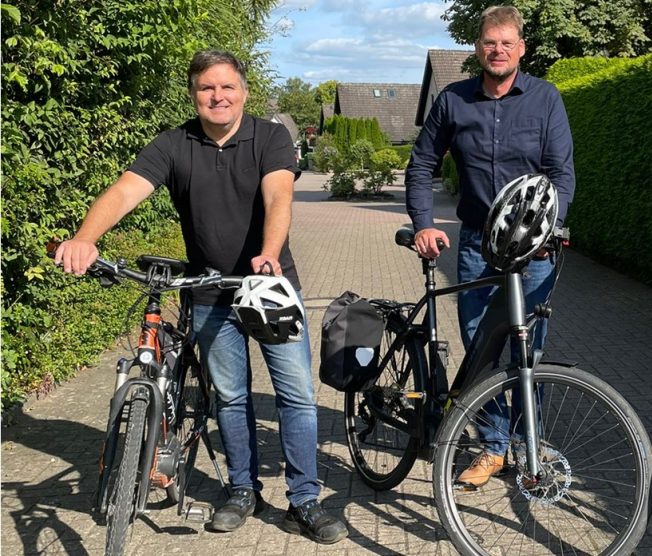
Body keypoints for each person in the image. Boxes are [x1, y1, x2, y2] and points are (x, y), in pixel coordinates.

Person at [54, 50, 348, 543]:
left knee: (296, 396)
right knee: (230, 398)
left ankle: (303, 500)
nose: (218, 96)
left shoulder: (270, 136)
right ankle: (240, 490)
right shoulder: (175, 143)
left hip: (271, 287)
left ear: (244, 92)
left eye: (227, 87)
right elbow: (126, 190)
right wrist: (85, 236)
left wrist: (269, 253)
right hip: (208, 293)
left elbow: (280, 195)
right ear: (194, 95)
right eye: (207, 88)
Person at [405, 5, 575, 487]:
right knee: (481, 347)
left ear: (521, 48)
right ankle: (493, 447)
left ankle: (528, 445)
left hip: (534, 250)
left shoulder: (545, 99)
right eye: (488, 42)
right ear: (477, 48)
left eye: (506, 42)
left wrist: (551, 227)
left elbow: (561, 174)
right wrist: (422, 224)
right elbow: (420, 167)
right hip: (478, 243)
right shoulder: (453, 101)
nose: (497, 50)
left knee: (528, 352)